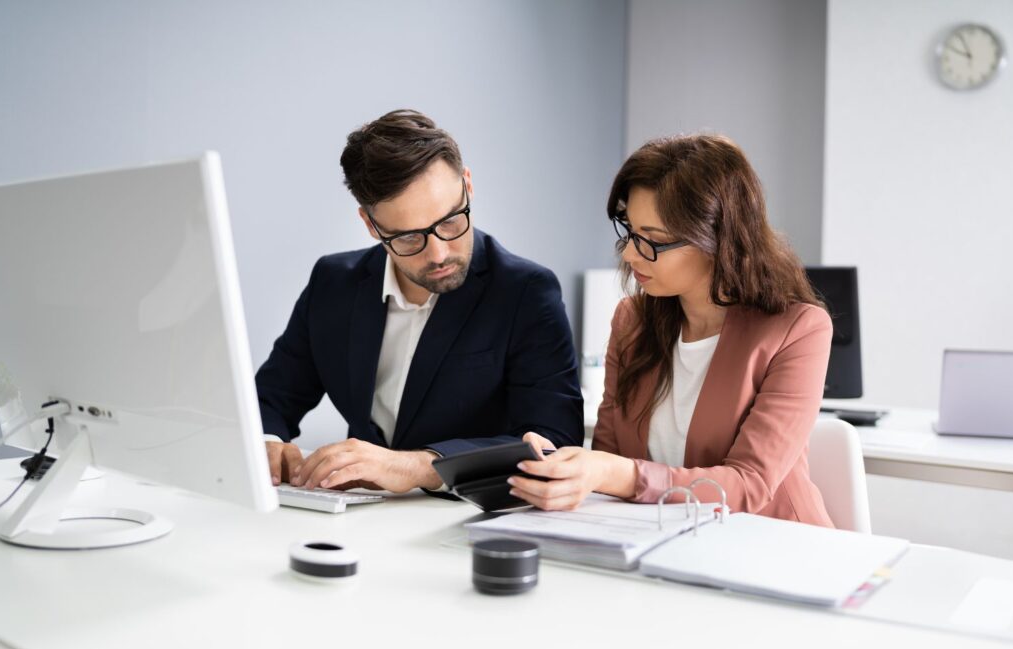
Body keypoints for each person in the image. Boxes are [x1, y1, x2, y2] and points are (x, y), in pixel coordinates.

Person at [256, 109, 583, 494]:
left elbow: (556, 441)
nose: (440, 252)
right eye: (409, 237)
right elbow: (269, 398)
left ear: (468, 185)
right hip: (353, 517)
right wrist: (267, 442)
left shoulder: (526, 292)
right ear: (370, 224)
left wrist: (415, 467)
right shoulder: (333, 283)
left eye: (450, 221)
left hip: (463, 522)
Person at [513, 134, 834, 526]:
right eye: (630, 232)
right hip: (662, 543)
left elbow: (749, 484)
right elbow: (609, 459)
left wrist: (614, 474)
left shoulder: (799, 330)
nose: (631, 254)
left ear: (719, 239)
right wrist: (563, 467)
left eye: (654, 241)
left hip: (775, 547)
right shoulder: (631, 322)